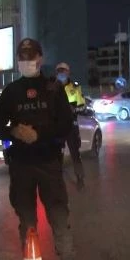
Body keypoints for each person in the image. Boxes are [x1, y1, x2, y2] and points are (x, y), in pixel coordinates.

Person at [0, 38, 86, 260]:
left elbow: (65, 124)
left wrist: (39, 134)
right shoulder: (11, 91)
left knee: (59, 218)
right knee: (27, 221)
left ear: (40, 58)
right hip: (21, 165)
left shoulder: (53, 89)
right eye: (22, 57)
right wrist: (14, 131)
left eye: (30, 57)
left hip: (48, 163)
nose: (26, 61)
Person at [56, 62, 86, 190]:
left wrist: (74, 110)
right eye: (59, 71)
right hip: (57, 128)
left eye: (63, 71)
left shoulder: (75, 88)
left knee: (75, 154)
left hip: (71, 126)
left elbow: (82, 107)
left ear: (68, 73)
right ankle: (56, 181)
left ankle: (80, 178)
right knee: (57, 155)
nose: (61, 74)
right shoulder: (51, 88)